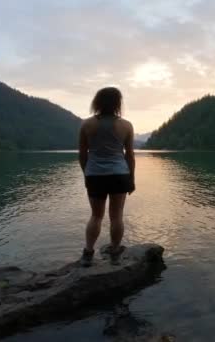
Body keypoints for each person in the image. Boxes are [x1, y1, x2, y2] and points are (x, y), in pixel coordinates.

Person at [78, 87, 135, 266]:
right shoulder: (126, 125)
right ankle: (115, 253)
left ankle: (88, 254)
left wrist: (86, 173)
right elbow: (130, 156)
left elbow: (82, 154)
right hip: (120, 174)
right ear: (118, 103)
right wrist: (131, 179)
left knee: (96, 216)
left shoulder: (86, 125)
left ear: (97, 102)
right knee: (117, 216)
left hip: (95, 175)